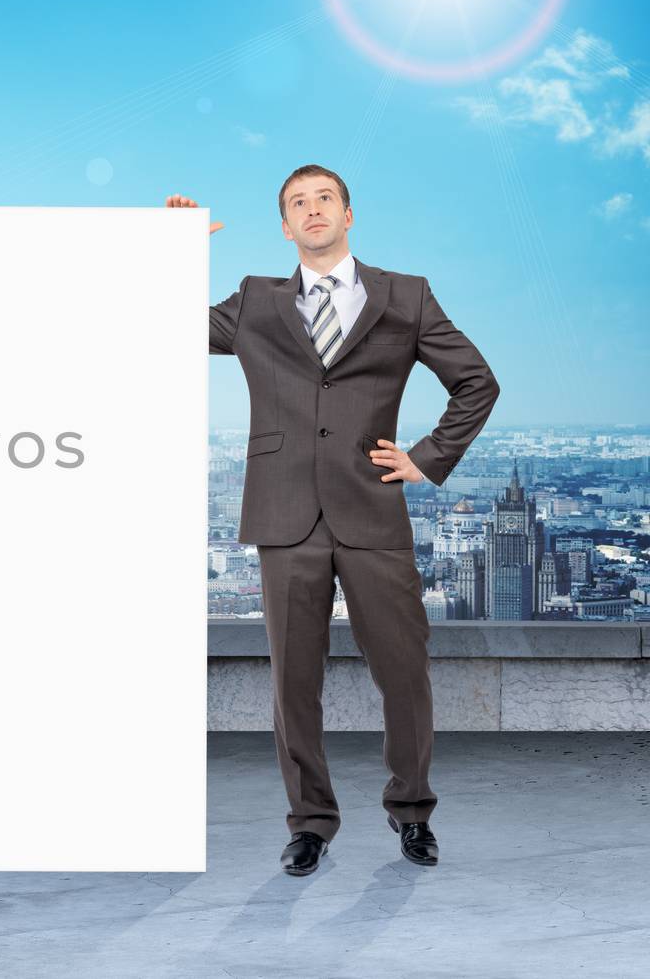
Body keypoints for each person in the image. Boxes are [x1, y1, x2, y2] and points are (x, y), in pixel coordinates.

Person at [174, 165, 499, 876]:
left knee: (404, 671)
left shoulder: (405, 296)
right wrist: (172, 245)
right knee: (294, 683)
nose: (312, 209)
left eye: (325, 198)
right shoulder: (257, 301)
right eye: (298, 203)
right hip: (284, 511)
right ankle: (311, 822)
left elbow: (477, 381)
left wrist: (427, 457)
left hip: (372, 505)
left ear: (349, 214)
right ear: (285, 227)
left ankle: (411, 809)